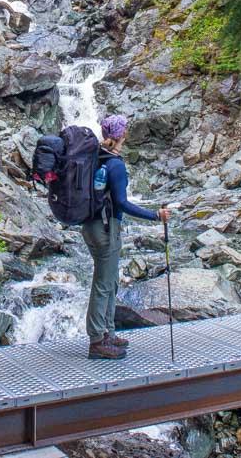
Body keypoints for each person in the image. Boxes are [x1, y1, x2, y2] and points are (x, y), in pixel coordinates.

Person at [84, 113, 170, 360]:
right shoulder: (116, 164)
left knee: (109, 280)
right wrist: (155, 215)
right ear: (123, 135)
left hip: (91, 226)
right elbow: (121, 203)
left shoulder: (96, 157)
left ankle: (107, 331)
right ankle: (97, 339)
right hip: (106, 228)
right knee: (103, 282)